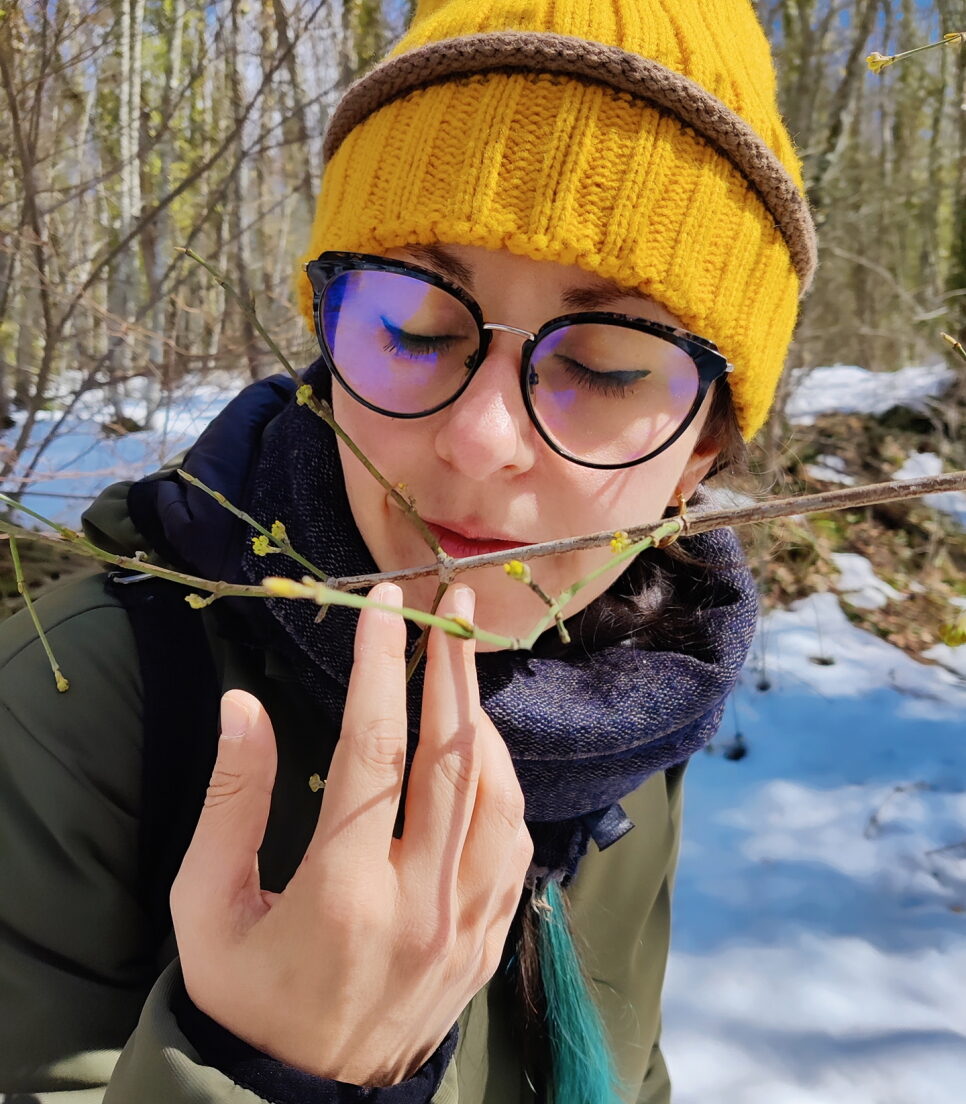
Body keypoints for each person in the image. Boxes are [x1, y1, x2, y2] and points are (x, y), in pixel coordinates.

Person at [0, 0, 816, 1101]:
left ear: (702, 450)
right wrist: (275, 1069)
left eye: (613, 362)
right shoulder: (75, 708)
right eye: (413, 327)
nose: (481, 441)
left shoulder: (639, 693)